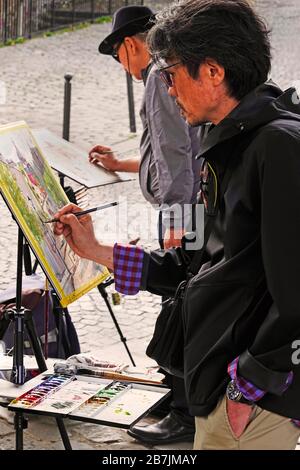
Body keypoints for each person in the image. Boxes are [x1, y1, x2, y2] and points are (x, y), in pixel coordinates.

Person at [54, 0, 300, 450]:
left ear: (212, 72)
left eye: (170, 74)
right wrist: (96, 251)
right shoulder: (226, 140)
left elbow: (295, 295)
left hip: (250, 404)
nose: (165, 88)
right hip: (217, 388)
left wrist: (245, 387)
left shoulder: (277, 147)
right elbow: (190, 266)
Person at [90, 5, 202, 444]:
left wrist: (176, 220)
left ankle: (184, 410)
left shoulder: (159, 74)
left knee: (178, 303)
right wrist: (122, 163)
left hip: (186, 212)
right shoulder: (172, 67)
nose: (123, 65)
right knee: (181, 302)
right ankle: (177, 395)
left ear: (131, 44)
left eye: (118, 54)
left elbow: (176, 156)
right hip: (192, 206)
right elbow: (175, 151)